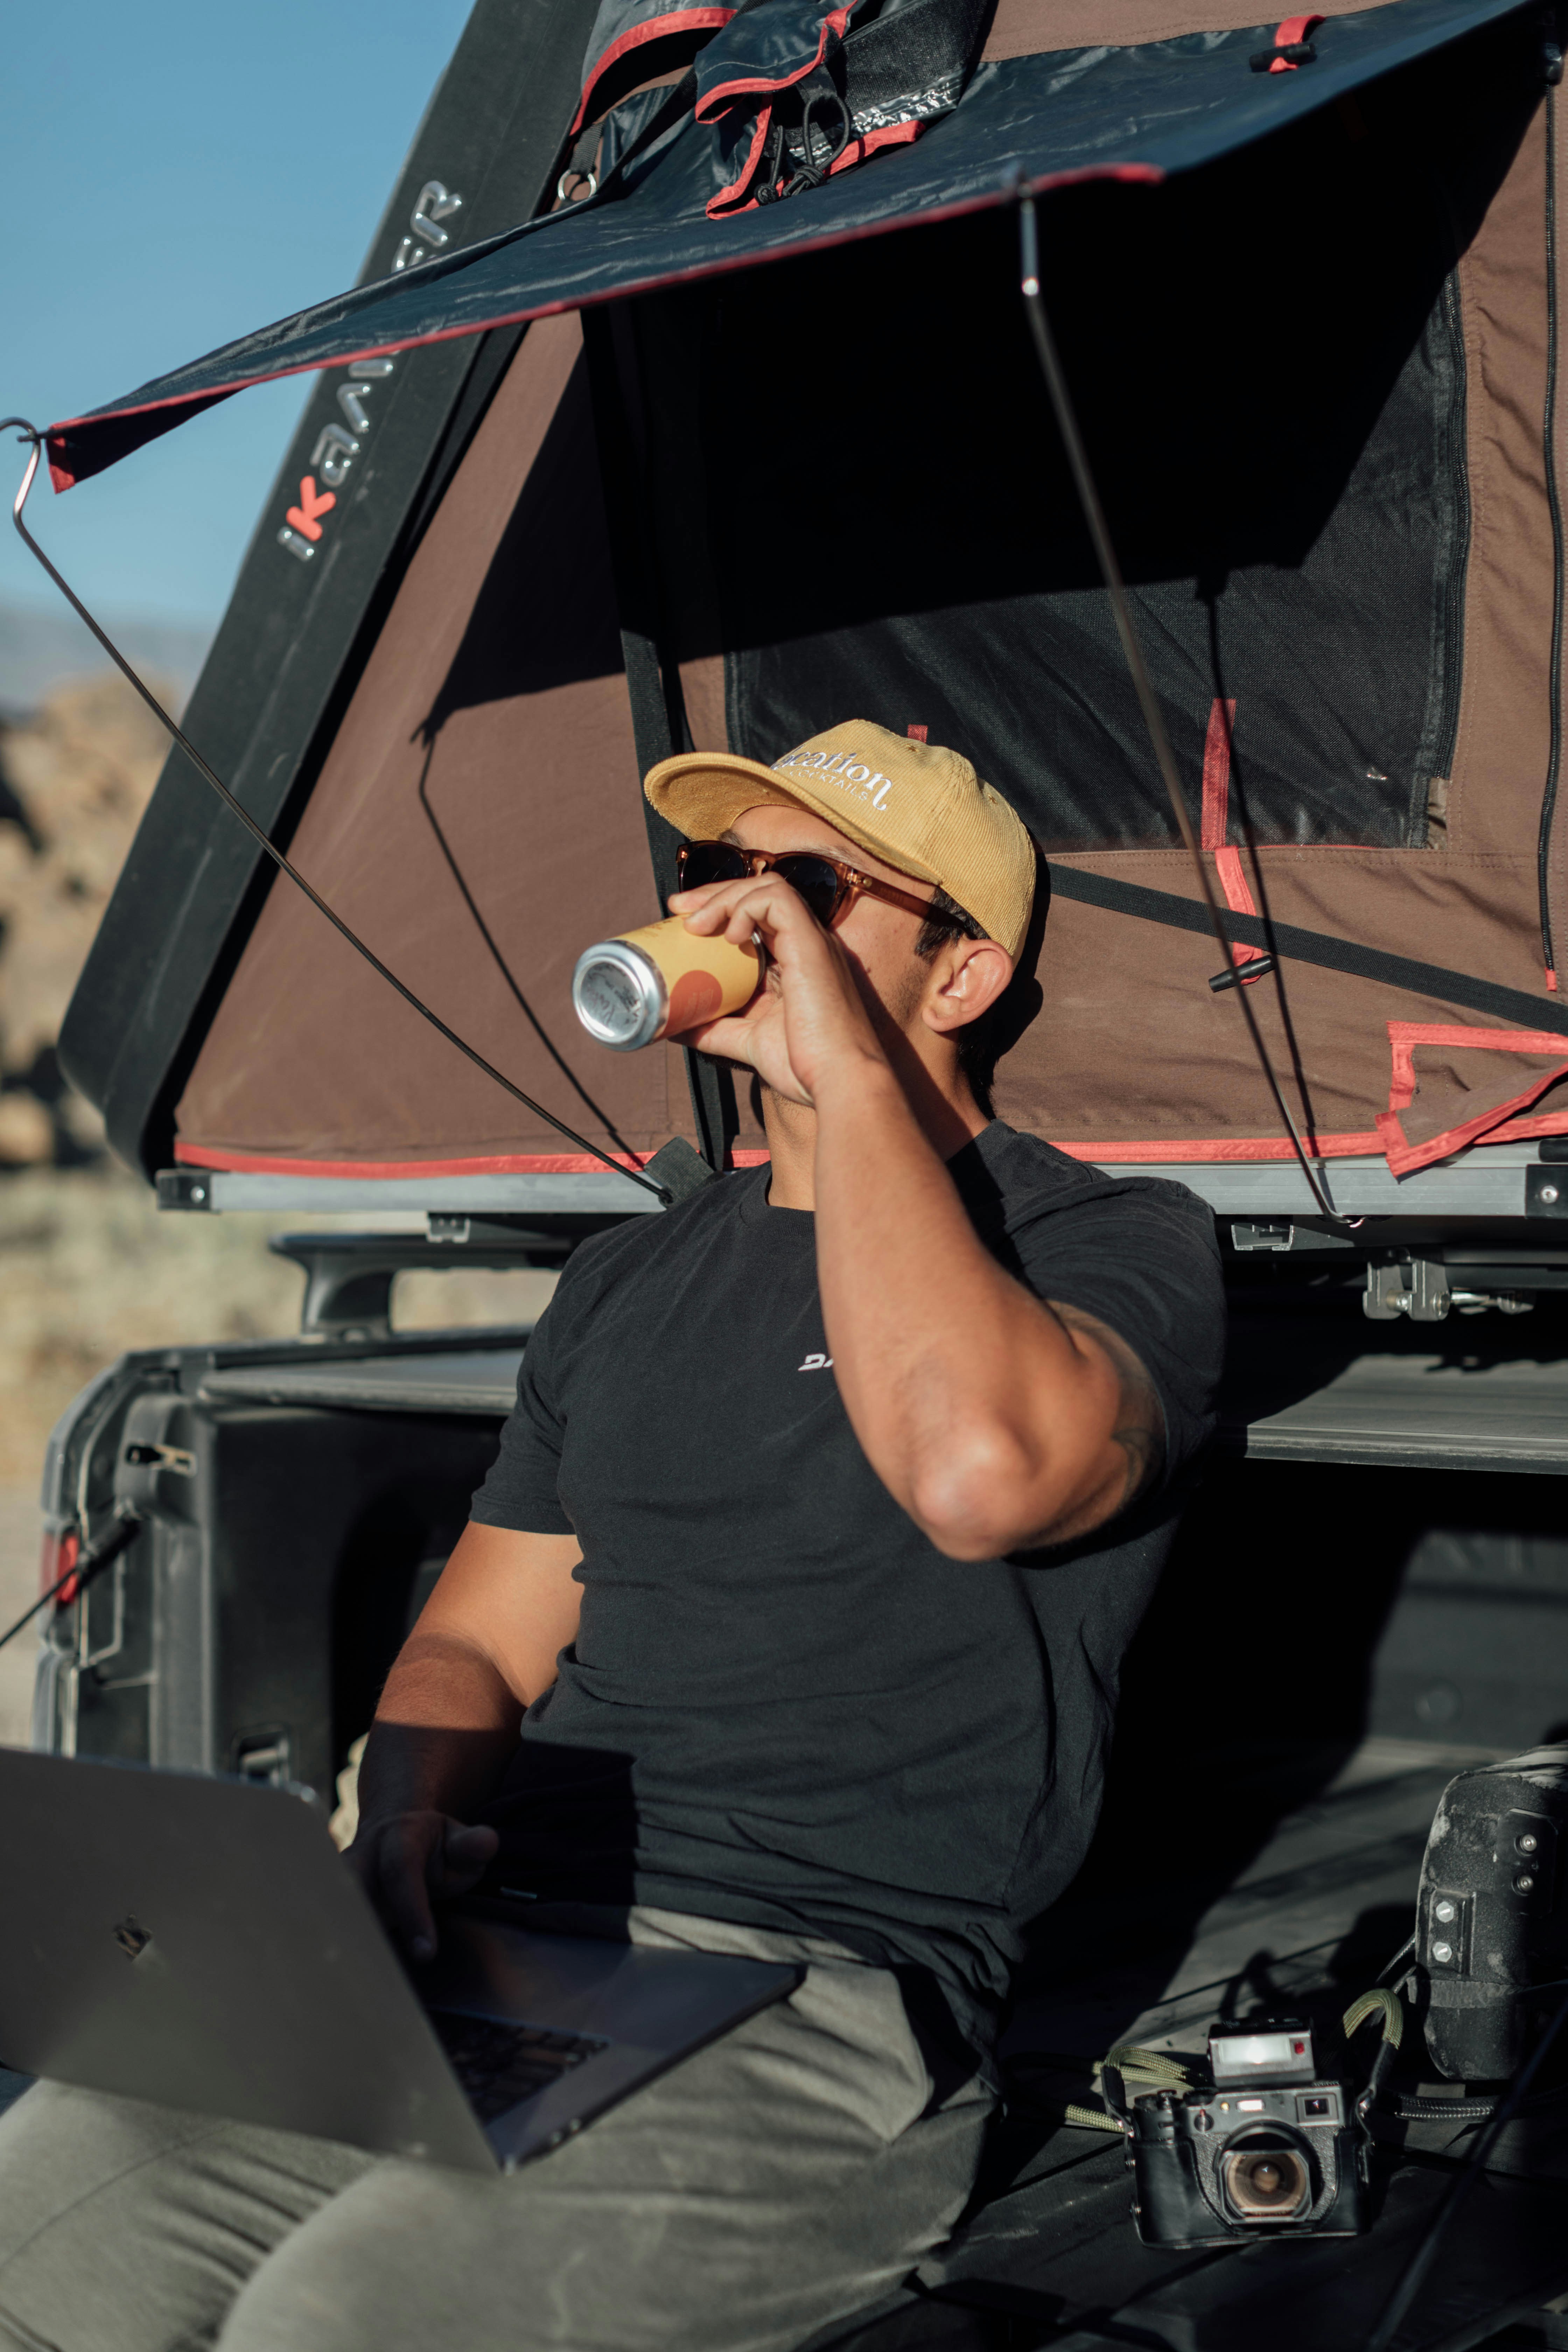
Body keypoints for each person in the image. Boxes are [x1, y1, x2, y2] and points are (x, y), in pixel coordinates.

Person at [0, 720, 1225, 2352]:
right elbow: (479, 1643)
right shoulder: (628, 1281)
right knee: (42, 2221)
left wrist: (839, 1064)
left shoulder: (1112, 1240)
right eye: (720, 872)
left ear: (962, 979)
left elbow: (981, 1476)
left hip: (822, 1992)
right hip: (507, 1957)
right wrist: (410, 1820)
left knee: (342, 2320)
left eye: (805, 886)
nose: (734, 914)